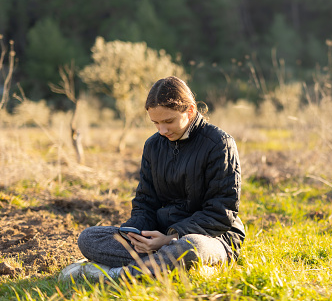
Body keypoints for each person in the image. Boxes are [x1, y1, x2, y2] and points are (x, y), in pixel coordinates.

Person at [59, 76, 245, 280]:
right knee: (89, 238)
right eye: (155, 123)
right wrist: (137, 233)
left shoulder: (220, 144)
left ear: (190, 111)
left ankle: (115, 275)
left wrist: (170, 238)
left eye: (168, 121)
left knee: (190, 247)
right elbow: (145, 201)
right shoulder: (153, 146)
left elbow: (220, 212)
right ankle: (170, 267)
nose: (162, 130)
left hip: (211, 238)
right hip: (159, 236)